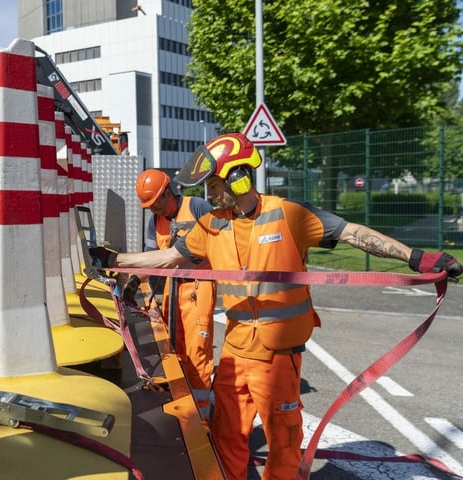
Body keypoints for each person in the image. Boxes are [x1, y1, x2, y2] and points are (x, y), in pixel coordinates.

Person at [91, 133, 462, 480]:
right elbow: (170, 257)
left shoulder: (289, 215)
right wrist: (115, 258)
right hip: (236, 354)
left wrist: (416, 257)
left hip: (277, 358)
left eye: (214, 184)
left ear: (239, 177)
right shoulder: (212, 225)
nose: (209, 193)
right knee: (226, 438)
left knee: (283, 444)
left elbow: (351, 232)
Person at [122, 169, 217, 419]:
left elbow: (218, 246)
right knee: (172, 350)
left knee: (197, 354)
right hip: (170, 291)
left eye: (156, 204)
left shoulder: (197, 207)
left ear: (168, 192)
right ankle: (183, 405)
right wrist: (133, 281)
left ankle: (202, 417)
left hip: (199, 287)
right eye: (149, 206)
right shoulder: (155, 221)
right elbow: (152, 260)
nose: (153, 210)